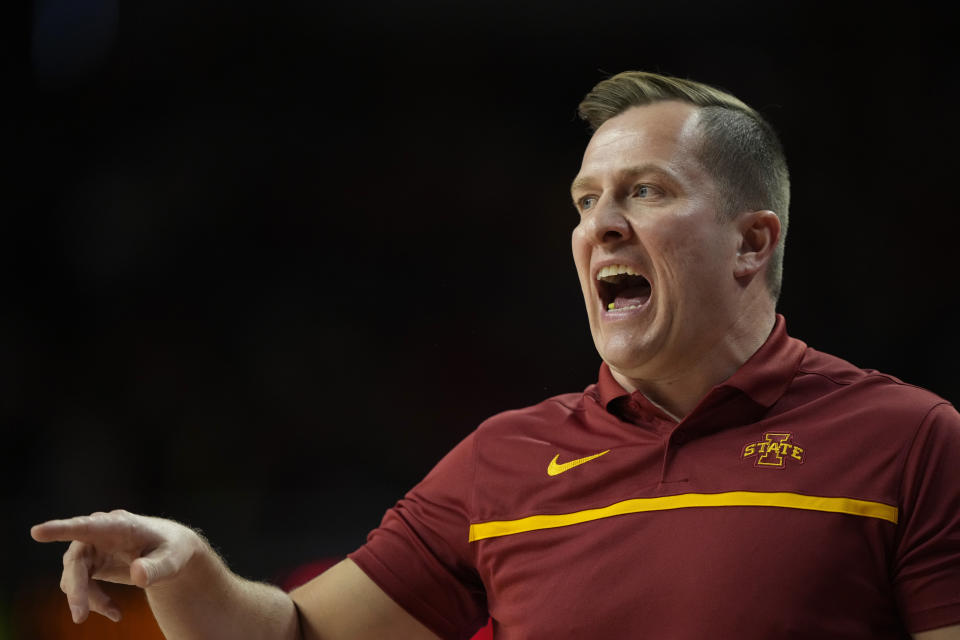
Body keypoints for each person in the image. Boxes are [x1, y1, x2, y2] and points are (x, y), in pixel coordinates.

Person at [31, 71, 960, 639]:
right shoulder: (503, 461)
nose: (601, 227)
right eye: (585, 200)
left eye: (643, 191)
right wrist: (189, 565)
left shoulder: (909, 441)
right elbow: (295, 638)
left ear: (753, 243)